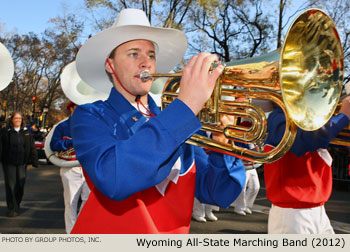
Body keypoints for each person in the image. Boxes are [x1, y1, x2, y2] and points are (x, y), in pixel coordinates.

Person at [69, 8, 246, 234]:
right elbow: (113, 179)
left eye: (151, 55)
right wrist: (186, 108)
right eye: (134, 54)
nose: (146, 62)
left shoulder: (178, 120)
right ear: (110, 65)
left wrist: (223, 141)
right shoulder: (90, 116)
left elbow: (219, 193)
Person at [264, 96, 350, 234]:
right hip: (292, 215)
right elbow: (304, 142)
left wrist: (343, 119)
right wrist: (343, 116)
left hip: (317, 209)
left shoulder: (306, 119)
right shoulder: (278, 118)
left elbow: (333, 136)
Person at [50, 101, 90, 233]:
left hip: (87, 168)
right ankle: (71, 234)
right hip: (70, 169)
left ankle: (80, 228)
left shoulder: (89, 125)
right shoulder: (62, 126)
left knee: (88, 201)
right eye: (78, 108)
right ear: (71, 109)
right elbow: (54, 145)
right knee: (71, 203)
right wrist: (70, 142)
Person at [1, 112, 38, 217]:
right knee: (11, 186)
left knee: (20, 185)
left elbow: (32, 147)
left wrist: (35, 160)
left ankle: (17, 204)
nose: (18, 120)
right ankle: (12, 208)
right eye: (16, 118)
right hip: (9, 163)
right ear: (12, 120)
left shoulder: (26, 133)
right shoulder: (5, 132)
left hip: (22, 163)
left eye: (20, 118)